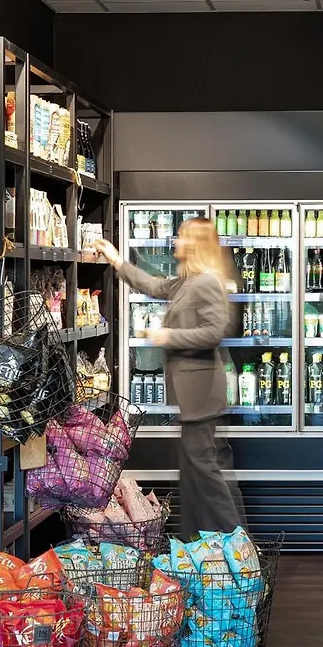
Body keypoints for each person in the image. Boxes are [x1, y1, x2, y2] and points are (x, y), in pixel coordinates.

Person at [94, 219, 245, 538]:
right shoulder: (186, 282)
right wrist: (116, 260)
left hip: (201, 395)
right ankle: (197, 539)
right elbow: (153, 286)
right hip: (193, 397)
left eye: (181, 237)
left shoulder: (206, 282)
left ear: (194, 245)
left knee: (203, 472)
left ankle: (237, 541)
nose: (175, 241)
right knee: (195, 472)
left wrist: (168, 336)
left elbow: (214, 332)